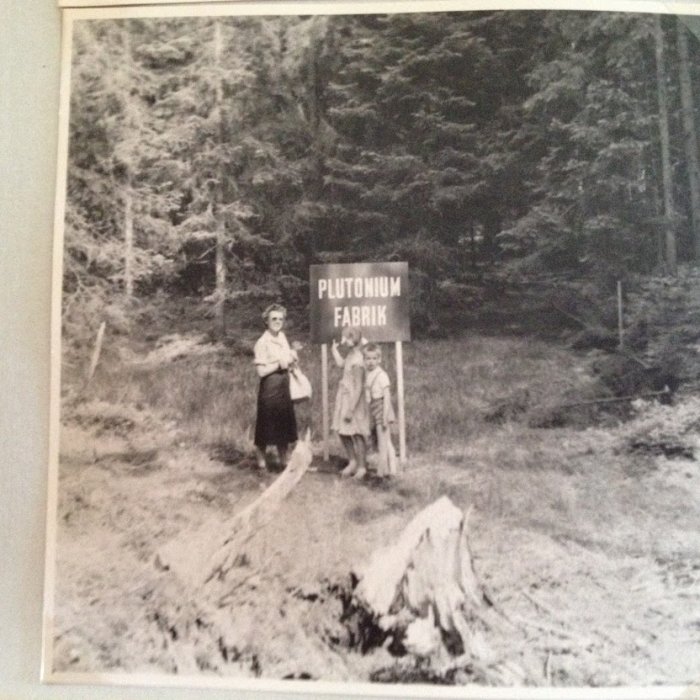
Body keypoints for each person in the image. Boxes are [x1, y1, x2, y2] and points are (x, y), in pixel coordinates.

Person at [253, 303, 298, 470]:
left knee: (284, 423)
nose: (277, 321)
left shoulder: (282, 337)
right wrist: (278, 364)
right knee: (265, 424)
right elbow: (261, 372)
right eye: (274, 319)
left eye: (280, 319)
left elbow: (286, 360)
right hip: (270, 388)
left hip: (284, 386)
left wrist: (292, 358)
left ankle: (283, 460)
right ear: (266, 321)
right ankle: (261, 461)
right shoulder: (262, 342)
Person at [331, 325, 370, 479]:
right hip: (345, 397)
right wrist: (334, 350)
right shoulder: (351, 355)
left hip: (354, 401)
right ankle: (352, 460)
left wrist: (351, 409)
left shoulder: (359, 359)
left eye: (347, 338)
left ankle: (361, 467)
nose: (344, 341)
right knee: (342, 431)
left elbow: (359, 386)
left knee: (357, 433)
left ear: (354, 338)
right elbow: (341, 364)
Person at [363, 343, 398, 477]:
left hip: (383, 407)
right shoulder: (369, 373)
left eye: (373, 359)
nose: (371, 362)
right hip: (374, 406)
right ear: (364, 360)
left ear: (379, 359)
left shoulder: (382, 375)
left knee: (382, 442)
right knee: (386, 440)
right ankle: (392, 469)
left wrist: (384, 416)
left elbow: (387, 396)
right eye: (368, 358)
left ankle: (381, 473)